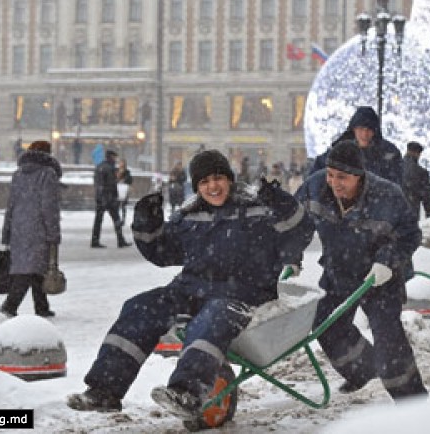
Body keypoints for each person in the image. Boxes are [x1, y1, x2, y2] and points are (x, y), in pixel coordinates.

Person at [66, 149, 314, 414]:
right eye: (204, 182)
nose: (212, 186)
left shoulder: (257, 211)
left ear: (229, 179)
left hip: (244, 295)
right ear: (197, 187)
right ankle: (105, 390)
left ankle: (188, 391)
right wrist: (147, 222)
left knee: (213, 316)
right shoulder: (190, 216)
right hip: (191, 290)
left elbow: (301, 230)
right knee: (139, 307)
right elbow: (161, 253)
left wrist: (279, 200)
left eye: (218, 178)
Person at [295, 140, 428, 401]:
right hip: (337, 274)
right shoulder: (315, 186)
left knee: (389, 345)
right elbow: (294, 223)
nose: (334, 183)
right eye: (331, 175)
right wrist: (290, 255)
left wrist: (387, 262)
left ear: (359, 176)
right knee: (325, 325)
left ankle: (413, 402)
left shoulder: (387, 196)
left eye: (342, 177)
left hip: (379, 280)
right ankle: (364, 373)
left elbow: (409, 235)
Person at [0, 140, 60, 318]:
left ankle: (41, 306)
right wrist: (53, 232)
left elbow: (10, 205)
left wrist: (7, 231)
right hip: (39, 227)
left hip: (19, 226)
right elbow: (49, 206)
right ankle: (11, 304)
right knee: (31, 269)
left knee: (33, 268)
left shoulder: (18, 174)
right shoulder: (47, 174)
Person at [309, 106, 402, 185]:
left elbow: (396, 184)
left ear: (375, 131)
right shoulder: (340, 151)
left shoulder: (389, 153)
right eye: (361, 129)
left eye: (369, 129)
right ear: (354, 129)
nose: (365, 134)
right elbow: (315, 176)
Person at [91, 149, 132, 248]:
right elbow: (112, 184)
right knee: (116, 219)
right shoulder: (110, 168)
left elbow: (97, 182)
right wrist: (115, 196)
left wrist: (99, 195)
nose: (116, 159)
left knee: (98, 220)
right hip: (109, 198)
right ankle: (120, 240)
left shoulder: (100, 166)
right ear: (112, 157)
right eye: (115, 157)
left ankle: (95, 240)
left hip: (100, 197)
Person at [402, 141, 430, 219]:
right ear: (417, 154)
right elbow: (427, 195)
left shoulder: (393, 167)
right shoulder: (421, 172)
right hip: (412, 211)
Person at [116, 158, 133, 225]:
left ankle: (123, 220)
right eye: (120, 163)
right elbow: (114, 179)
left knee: (123, 206)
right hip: (117, 189)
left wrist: (124, 180)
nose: (121, 164)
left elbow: (130, 180)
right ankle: (117, 219)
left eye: (122, 163)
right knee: (116, 206)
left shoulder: (127, 171)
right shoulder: (116, 171)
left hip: (124, 190)